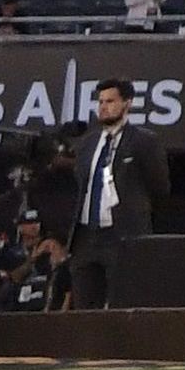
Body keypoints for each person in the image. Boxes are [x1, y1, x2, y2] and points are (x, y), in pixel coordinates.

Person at [60, 80, 154, 309]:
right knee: (85, 306)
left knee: (122, 303)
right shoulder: (88, 143)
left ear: (127, 104)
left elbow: (158, 186)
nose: (103, 107)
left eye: (110, 101)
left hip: (120, 234)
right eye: (100, 101)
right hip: (86, 236)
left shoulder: (143, 140)